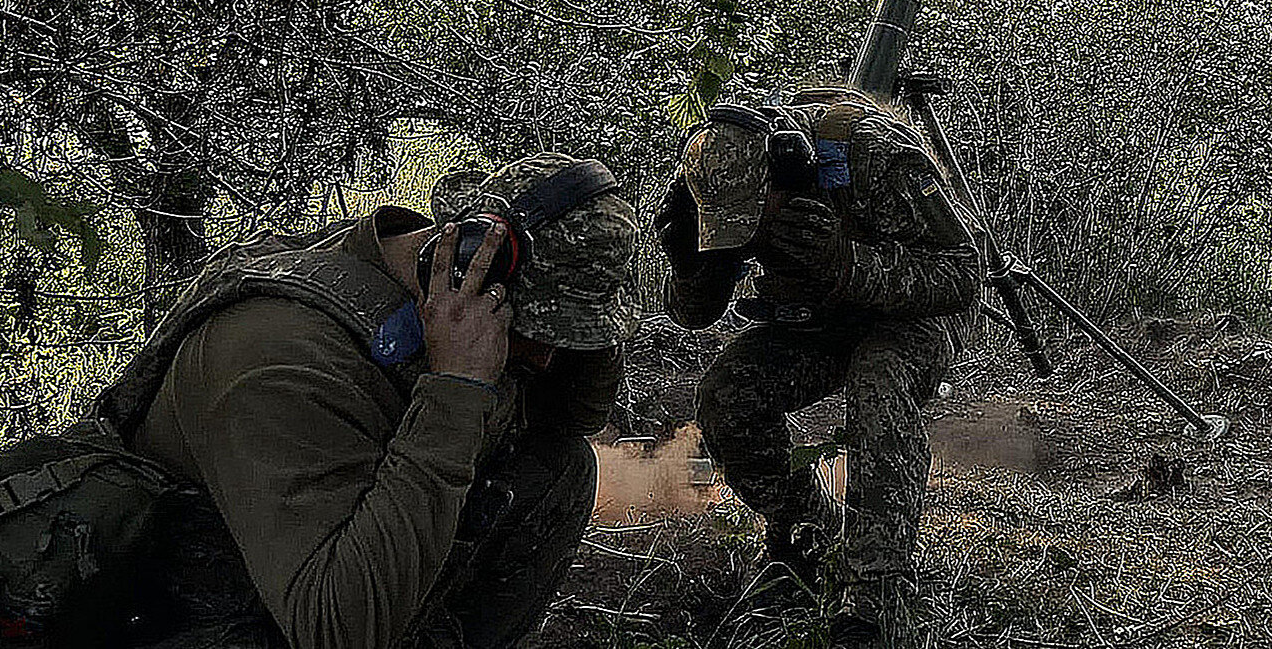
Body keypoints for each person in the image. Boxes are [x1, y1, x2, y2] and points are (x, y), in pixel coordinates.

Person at [115, 152, 639, 649]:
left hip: (327, 548)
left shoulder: (423, 272)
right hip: (209, 607)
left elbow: (574, 419)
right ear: (462, 262)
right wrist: (456, 389)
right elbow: (333, 632)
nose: (546, 359)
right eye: (538, 332)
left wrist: (583, 325)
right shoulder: (278, 360)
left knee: (557, 468)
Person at [654, 87, 981, 649]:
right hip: (819, 316)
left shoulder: (875, 156)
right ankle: (805, 541)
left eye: (759, 222)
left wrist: (845, 262)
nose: (751, 240)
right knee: (729, 394)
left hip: (913, 310)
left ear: (787, 172)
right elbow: (696, 315)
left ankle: (876, 594)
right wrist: (688, 263)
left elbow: (960, 278)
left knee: (878, 381)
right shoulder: (713, 185)